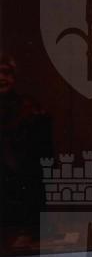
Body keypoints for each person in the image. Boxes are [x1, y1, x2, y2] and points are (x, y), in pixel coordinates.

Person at [0, 54, 54, 239]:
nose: (1, 78)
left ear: (14, 76)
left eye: (6, 72)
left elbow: (45, 158)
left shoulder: (30, 109)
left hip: (24, 192)